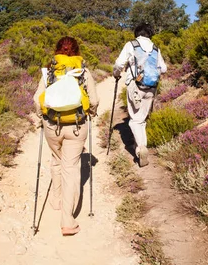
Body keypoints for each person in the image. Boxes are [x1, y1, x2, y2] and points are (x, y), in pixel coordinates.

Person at [33, 36, 99, 236]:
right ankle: (68, 221)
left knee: (56, 158)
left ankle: (56, 200)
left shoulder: (49, 73)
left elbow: (38, 100)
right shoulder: (84, 71)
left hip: (53, 125)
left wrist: (42, 116)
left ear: (57, 51)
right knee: (71, 167)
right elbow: (94, 100)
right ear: (77, 51)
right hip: (77, 126)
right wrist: (92, 113)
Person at [112, 23, 167, 167]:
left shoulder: (131, 45)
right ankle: (140, 146)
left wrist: (116, 74)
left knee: (135, 120)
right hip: (151, 88)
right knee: (142, 119)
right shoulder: (155, 48)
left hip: (135, 86)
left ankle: (141, 148)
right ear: (150, 34)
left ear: (137, 33)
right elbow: (164, 68)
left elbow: (119, 64)